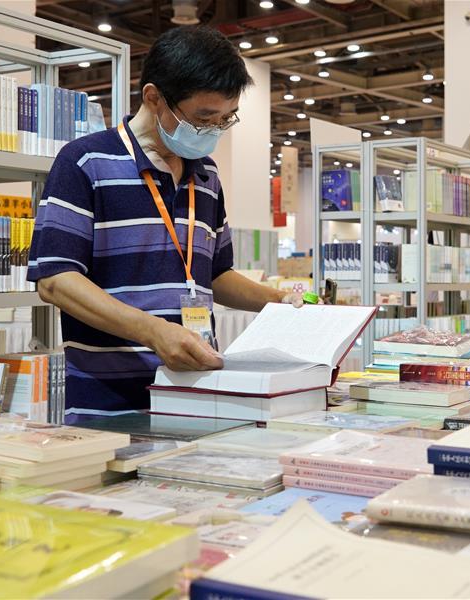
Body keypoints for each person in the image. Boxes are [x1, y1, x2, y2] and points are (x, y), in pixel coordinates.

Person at [28, 26, 304, 424]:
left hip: (200, 394)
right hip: (110, 404)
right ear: (154, 98)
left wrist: (278, 301)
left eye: (225, 119)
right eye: (203, 118)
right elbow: (55, 280)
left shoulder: (206, 175)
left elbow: (216, 274)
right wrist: (153, 331)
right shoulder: (85, 162)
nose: (213, 131)